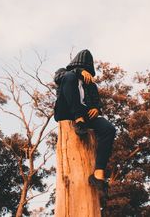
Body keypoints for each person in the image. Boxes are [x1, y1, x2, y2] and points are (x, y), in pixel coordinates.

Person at [54, 49, 116, 193]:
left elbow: (96, 102)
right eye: (84, 68)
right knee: (69, 77)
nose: (86, 71)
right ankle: (78, 119)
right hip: (66, 111)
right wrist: (78, 71)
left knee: (109, 129)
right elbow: (58, 78)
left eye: (87, 69)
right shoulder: (66, 73)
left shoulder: (91, 84)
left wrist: (96, 108)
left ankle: (98, 174)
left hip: (85, 113)